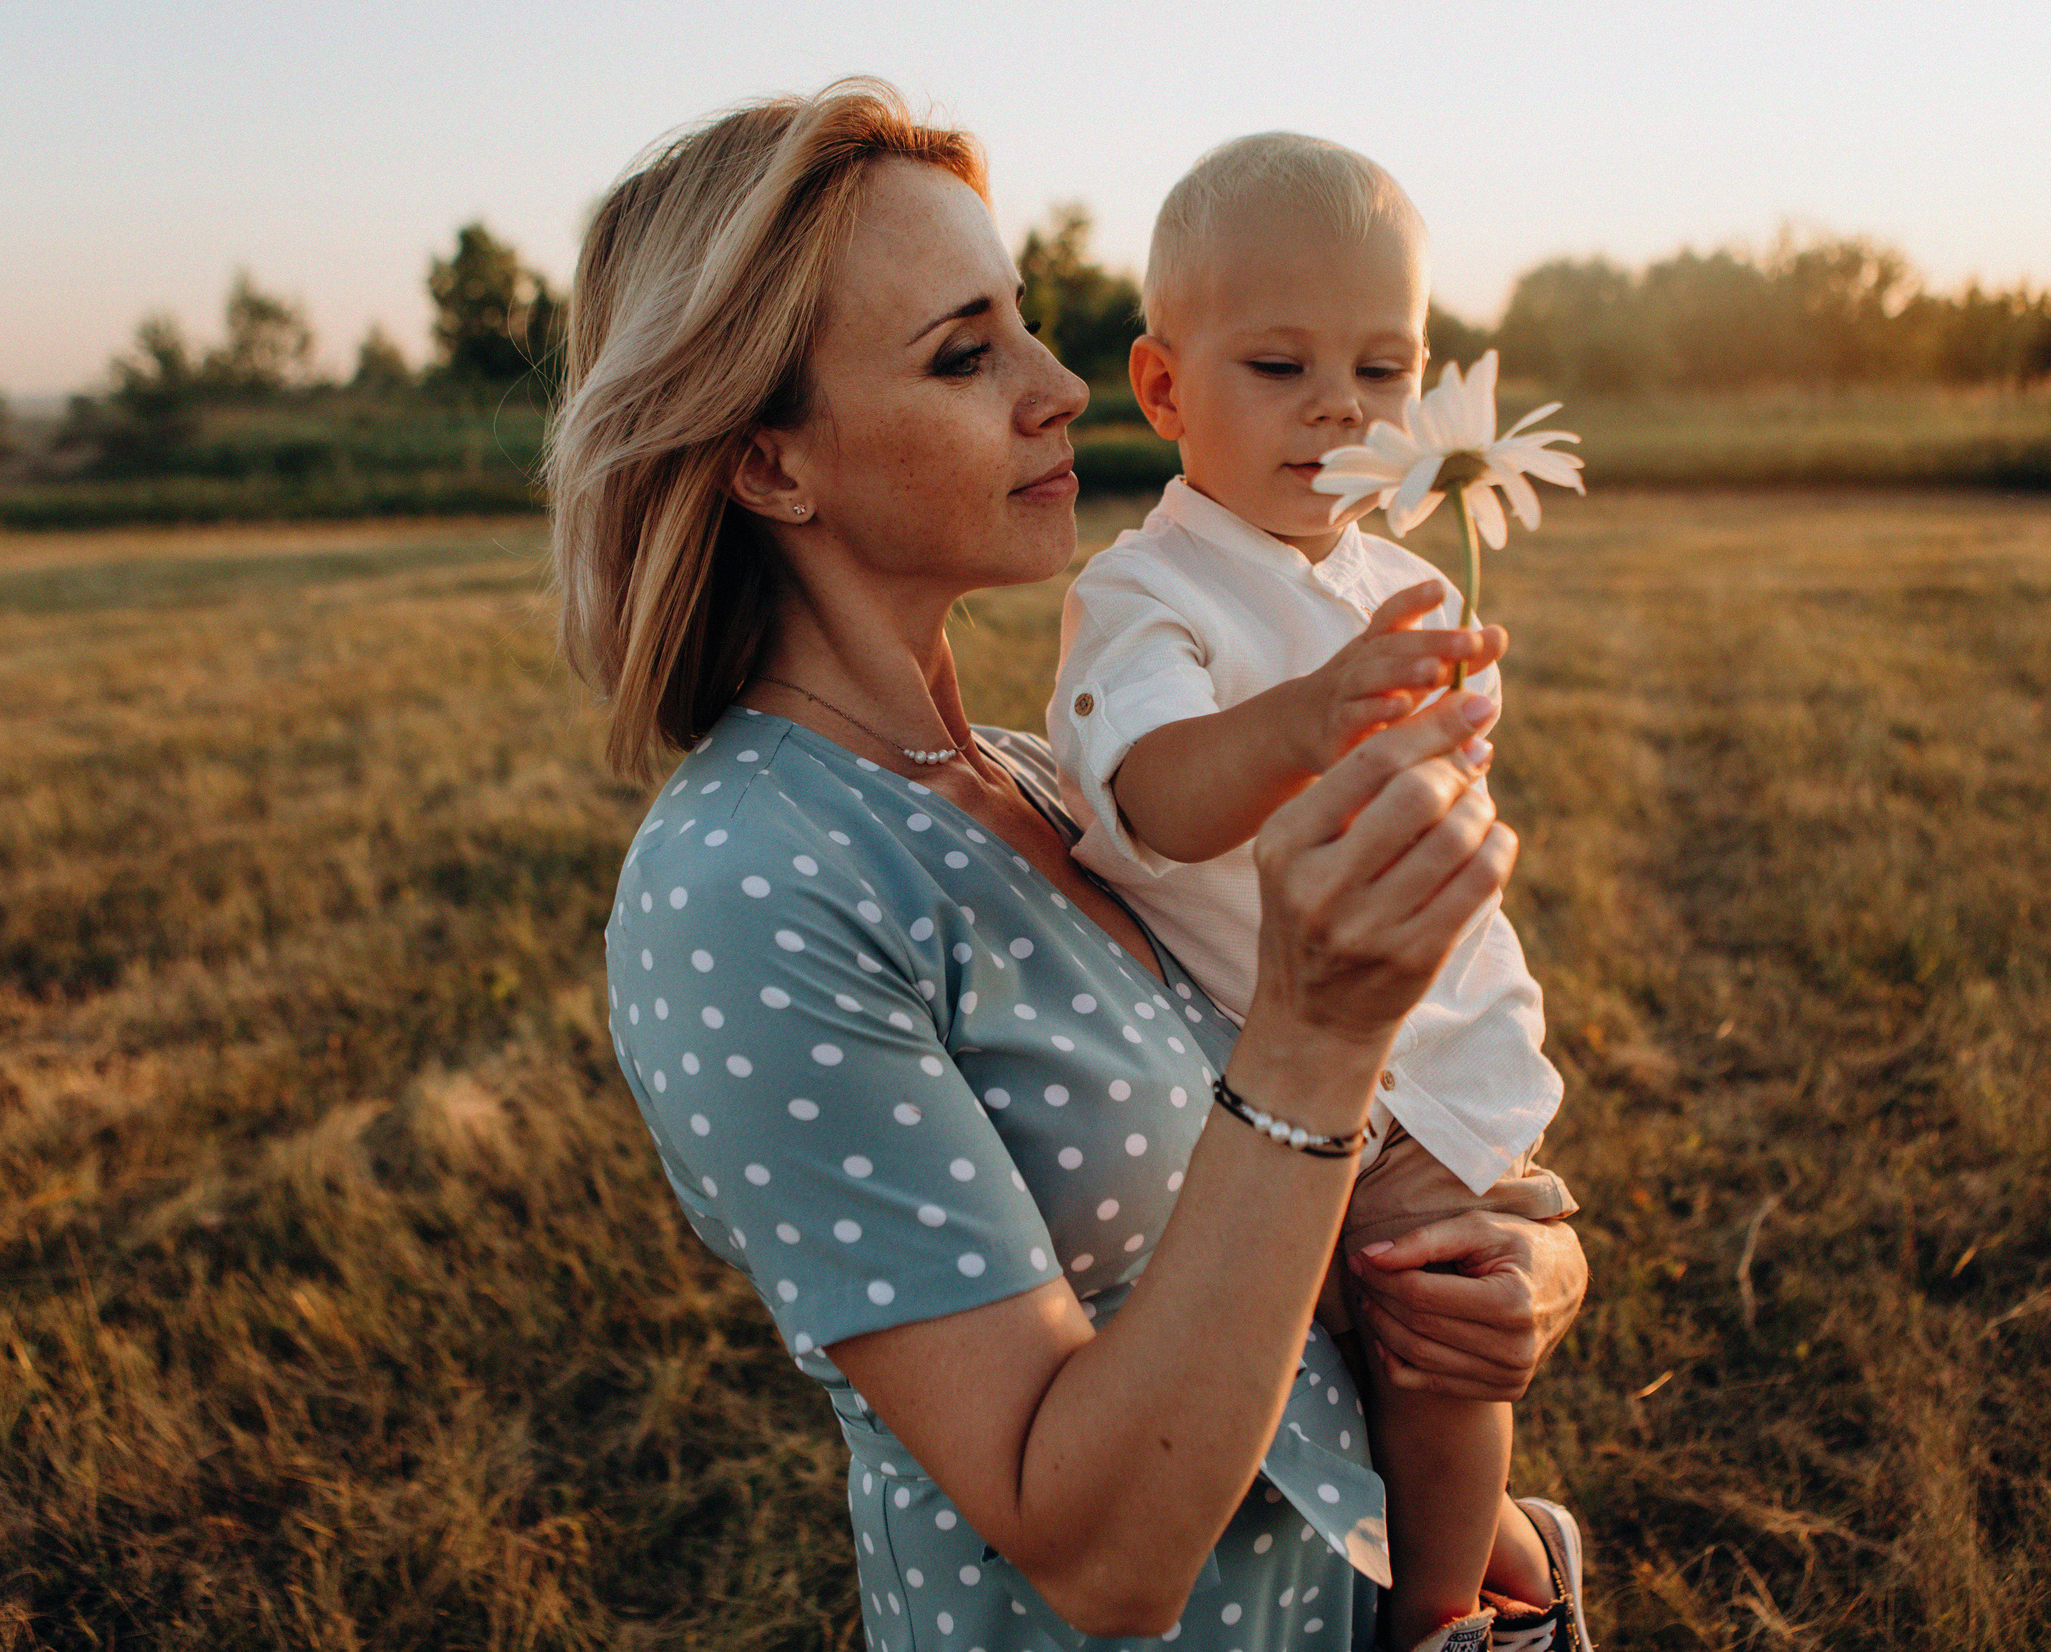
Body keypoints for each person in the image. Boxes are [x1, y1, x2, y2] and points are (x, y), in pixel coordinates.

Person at [547, 82, 1588, 1652]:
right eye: (965, 354)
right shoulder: (743, 889)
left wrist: (1520, 1262)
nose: (1058, 387)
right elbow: (1098, 1560)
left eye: (1025, 326)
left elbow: (1302, 1205)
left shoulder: (1042, 786)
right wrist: (1317, 1023)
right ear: (770, 467)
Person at [1046, 133, 1589, 1652]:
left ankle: (1448, 1603)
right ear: (1163, 391)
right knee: (1394, 1356)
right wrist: (1317, 717)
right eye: (1279, 365)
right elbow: (1151, 789)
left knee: (1445, 1344)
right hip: (1280, 1068)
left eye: (1388, 369)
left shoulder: (1376, 576)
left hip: (1427, 1047)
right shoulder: (1150, 594)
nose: (1344, 408)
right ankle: (1445, 1598)